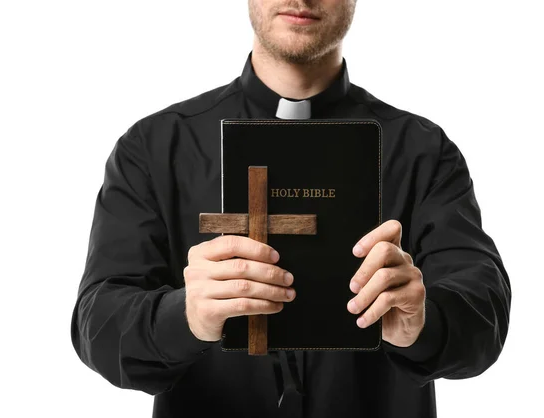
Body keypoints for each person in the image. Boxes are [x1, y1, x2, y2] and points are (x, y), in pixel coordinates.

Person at [70, 1, 512, 417]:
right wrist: (184, 316)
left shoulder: (423, 150)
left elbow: (485, 310)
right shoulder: (152, 148)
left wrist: (424, 321)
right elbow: (97, 325)